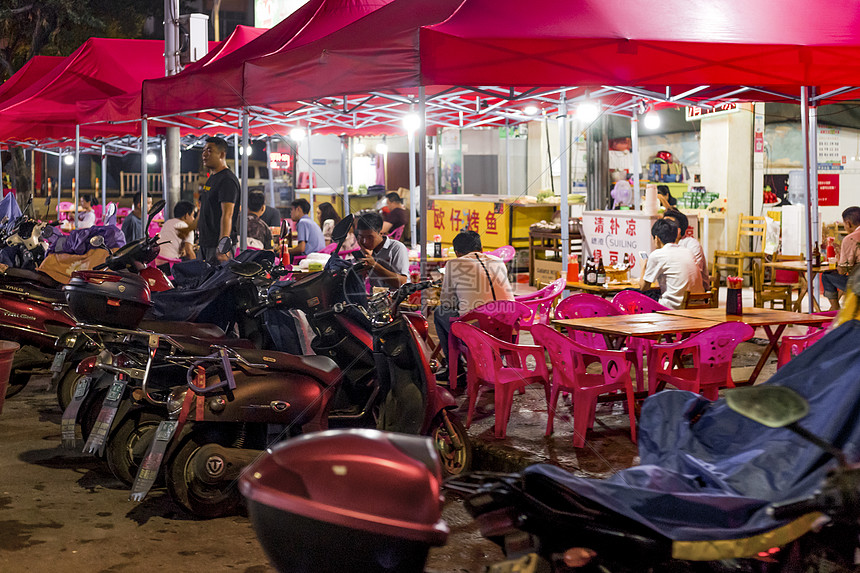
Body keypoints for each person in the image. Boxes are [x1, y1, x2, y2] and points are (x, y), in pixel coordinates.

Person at [434, 229, 514, 368]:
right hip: (508, 334)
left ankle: (455, 368)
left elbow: (447, 302)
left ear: (457, 253)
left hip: (477, 336)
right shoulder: (498, 261)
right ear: (481, 249)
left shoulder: (453, 264)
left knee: (440, 312)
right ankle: (494, 361)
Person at [639, 218, 701, 309]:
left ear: (656, 238)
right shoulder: (688, 251)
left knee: (631, 293)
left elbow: (643, 287)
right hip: (698, 304)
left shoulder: (657, 254)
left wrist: (643, 266)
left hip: (674, 307)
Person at [197, 136, 240, 263]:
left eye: (209, 150)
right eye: (203, 150)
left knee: (217, 282)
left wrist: (223, 247)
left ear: (222, 154)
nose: (204, 154)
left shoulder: (227, 180)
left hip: (217, 245)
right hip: (206, 243)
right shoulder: (212, 178)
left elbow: (228, 214)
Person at [354, 211, 409, 290]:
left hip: (399, 297)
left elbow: (402, 283)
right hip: (378, 298)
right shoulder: (365, 252)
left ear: (381, 233)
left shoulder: (396, 248)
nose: (365, 241)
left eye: (370, 237)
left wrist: (374, 265)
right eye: (362, 237)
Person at [822, 206, 860, 310]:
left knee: (826, 276)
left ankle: (834, 309)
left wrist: (839, 257)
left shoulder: (850, 239)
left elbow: (843, 270)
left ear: (848, 223)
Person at [662, 208, 709, 291]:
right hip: (675, 289)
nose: (663, 228)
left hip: (693, 293)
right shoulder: (665, 244)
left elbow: (693, 273)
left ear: (678, 230)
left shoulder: (692, 245)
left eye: (667, 225)